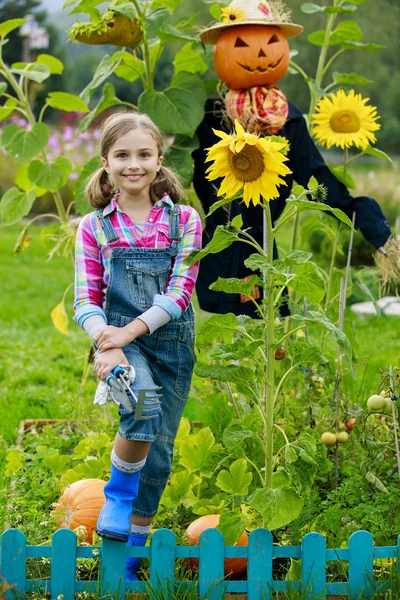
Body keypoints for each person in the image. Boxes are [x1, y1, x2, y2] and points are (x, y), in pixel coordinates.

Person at [193, 0, 395, 318]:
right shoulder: (208, 117)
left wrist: (371, 226)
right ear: (222, 48)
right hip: (221, 237)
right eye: (242, 44)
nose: (259, 55)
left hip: (263, 240)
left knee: (264, 324)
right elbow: (185, 176)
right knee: (228, 333)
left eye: (271, 42)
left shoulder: (288, 119)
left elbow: (317, 178)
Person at [73, 111, 202, 580]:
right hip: (123, 347)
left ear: (159, 159)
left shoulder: (184, 220)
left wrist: (124, 334)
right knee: (142, 407)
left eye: (143, 154)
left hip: (171, 343)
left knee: (161, 451)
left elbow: (180, 292)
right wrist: (106, 342)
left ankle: (133, 551)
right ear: (106, 162)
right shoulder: (94, 227)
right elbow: (86, 299)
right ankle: (118, 498)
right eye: (122, 155)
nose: (134, 164)